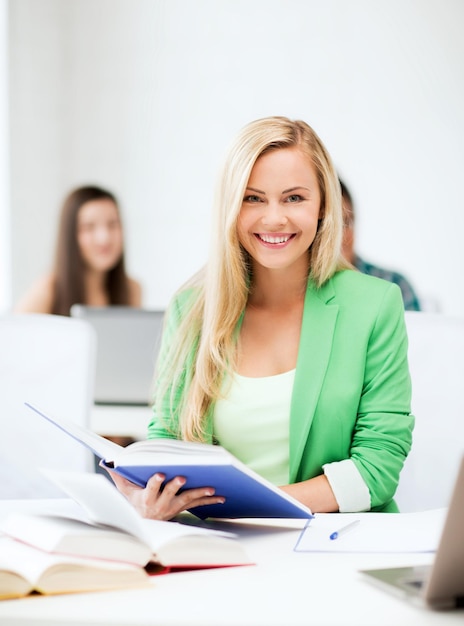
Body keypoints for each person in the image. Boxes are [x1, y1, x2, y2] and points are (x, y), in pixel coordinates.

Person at [106, 116, 414, 520]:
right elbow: (167, 439)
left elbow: (378, 466)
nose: (274, 218)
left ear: (323, 204)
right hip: (221, 545)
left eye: (294, 198)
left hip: (337, 546)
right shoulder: (191, 309)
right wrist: (151, 495)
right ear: (230, 207)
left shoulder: (375, 304)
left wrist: (260, 508)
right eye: (253, 198)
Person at [15, 185, 142, 315]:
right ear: (70, 235)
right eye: (89, 227)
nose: (104, 238)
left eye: (113, 224)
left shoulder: (132, 290)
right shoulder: (48, 290)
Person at [340, 179, 421, 312]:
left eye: (345, 222)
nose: (339, 236)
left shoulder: (393, 284)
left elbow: (415, 332)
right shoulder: (300, 289)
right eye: (328, 225)